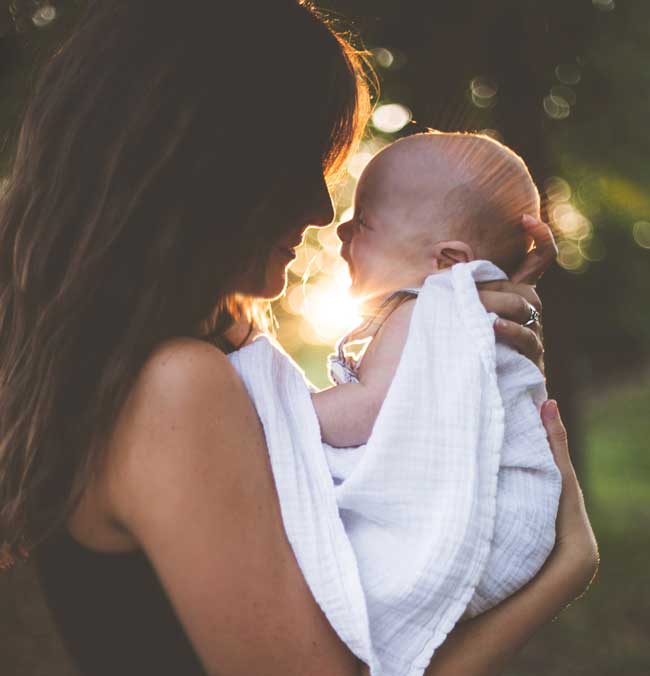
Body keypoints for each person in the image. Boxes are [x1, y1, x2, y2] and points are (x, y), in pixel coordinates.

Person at [0, 2, 598, 676]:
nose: (321, 209)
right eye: (301, 162)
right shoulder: (176, 387)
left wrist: (454, 310)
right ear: (208, 165)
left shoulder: (109, 369)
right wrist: (561, 577)